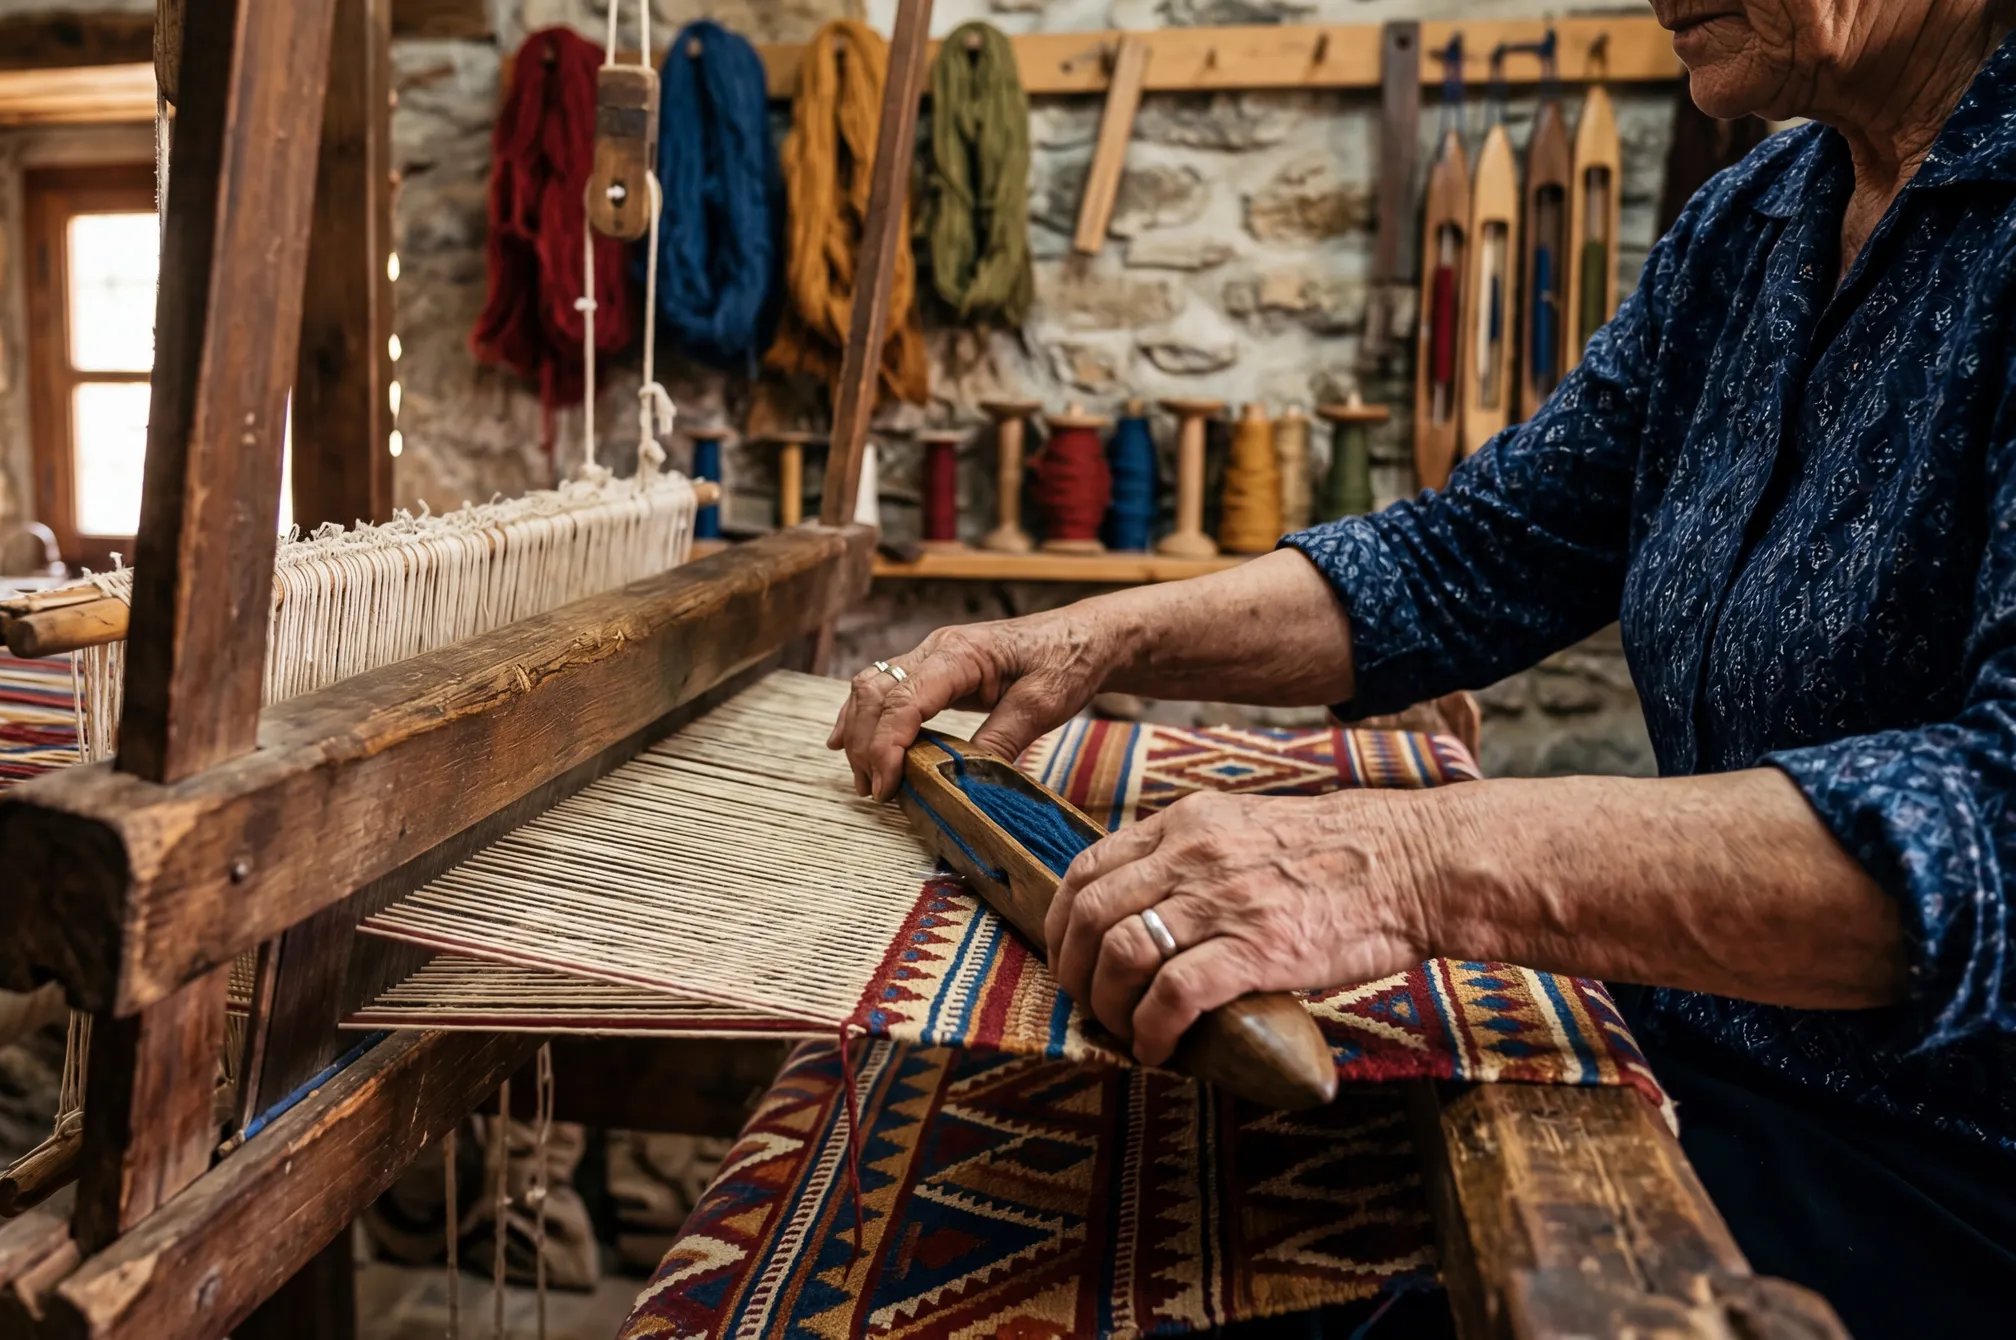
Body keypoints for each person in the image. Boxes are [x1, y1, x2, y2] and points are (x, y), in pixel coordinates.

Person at [830, 1, 2016, 1333]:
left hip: (1948, 1179)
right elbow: (1470, 555)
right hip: (1698, 1062)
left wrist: (1404, 864)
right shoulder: (1758, 226)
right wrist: (1094, 635)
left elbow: (1997, 824)